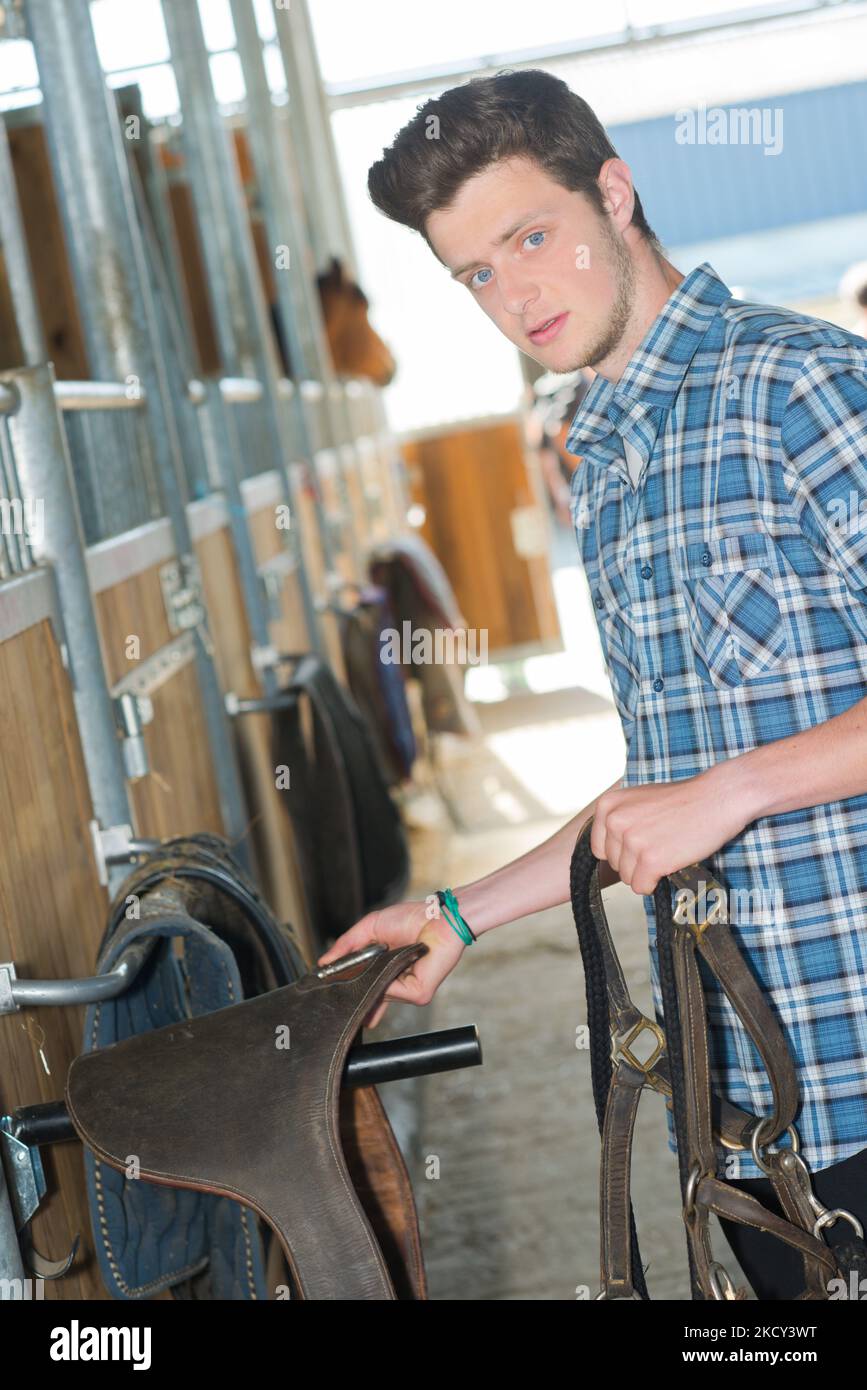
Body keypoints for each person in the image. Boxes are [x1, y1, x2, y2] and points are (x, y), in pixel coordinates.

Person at [319, 68, 867, 1299]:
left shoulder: (802, 386)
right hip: (734, 1101)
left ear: (615, 195)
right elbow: (665, 786)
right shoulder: (607, 457)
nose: (513, 295)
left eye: (530, 238)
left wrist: (731, 792)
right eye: (475, 273)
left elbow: (712, 790)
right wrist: (459, 916)